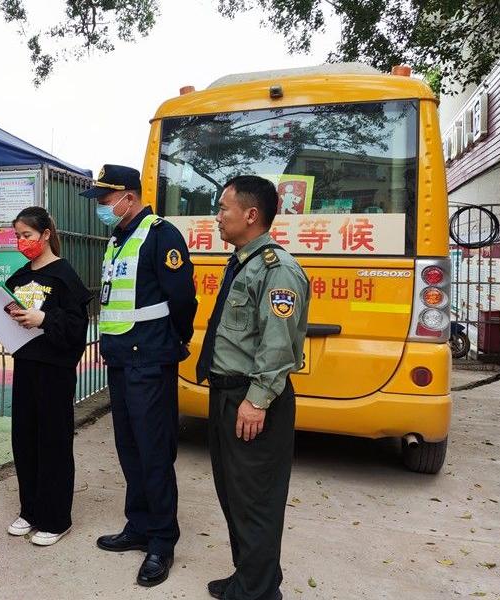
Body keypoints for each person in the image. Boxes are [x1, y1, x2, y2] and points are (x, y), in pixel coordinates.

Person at [195, 175, 309, 600]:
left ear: (251, 214)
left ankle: (257, 592)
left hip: (252, 398)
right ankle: (251, 577)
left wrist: (257, 402)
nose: (217, 217)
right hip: (227, 394)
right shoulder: (243, 262)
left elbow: (277, 347)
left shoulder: (278, 271)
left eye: (223, 208)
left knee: (256, 500)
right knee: (235, 496)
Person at [82, 164, 197, 587]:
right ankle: (139, 525)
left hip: (149, 359)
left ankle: (162, 541)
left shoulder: (161, 235)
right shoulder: (118, 238)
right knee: (130, 448)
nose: (101, 207)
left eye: (105, 200)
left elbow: (182, 298)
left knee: (154, 451)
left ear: (129, 197)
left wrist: (172, 340)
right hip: (120, 359)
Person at [0, 206, 93, 546]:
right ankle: (30, 510)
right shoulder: (20, 277)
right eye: (18, 236)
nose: (21, 241)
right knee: (25, 440)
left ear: (45, 235)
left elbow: (76, 328)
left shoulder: (64, 276)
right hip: (26, 367)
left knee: (54, 443)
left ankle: (56, 518)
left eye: (27, 235)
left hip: (55, 372)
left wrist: (44, 320)